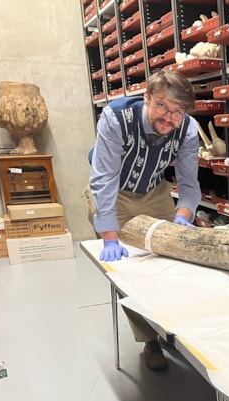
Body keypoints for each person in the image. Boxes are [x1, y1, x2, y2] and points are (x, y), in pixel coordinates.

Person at [85, 69, 201, 371]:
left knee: (170, 259)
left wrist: (182, 216)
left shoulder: (187, 129)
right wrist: (109, 236)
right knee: (129, 270)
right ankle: (150, 341)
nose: (169, 117)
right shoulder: (115, 118)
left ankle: (173, 327)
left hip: (154, 190)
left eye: (177, 111)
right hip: (115, 191)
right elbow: (104, 179)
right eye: (161, 105)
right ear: (147, 97)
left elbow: (189, 185)